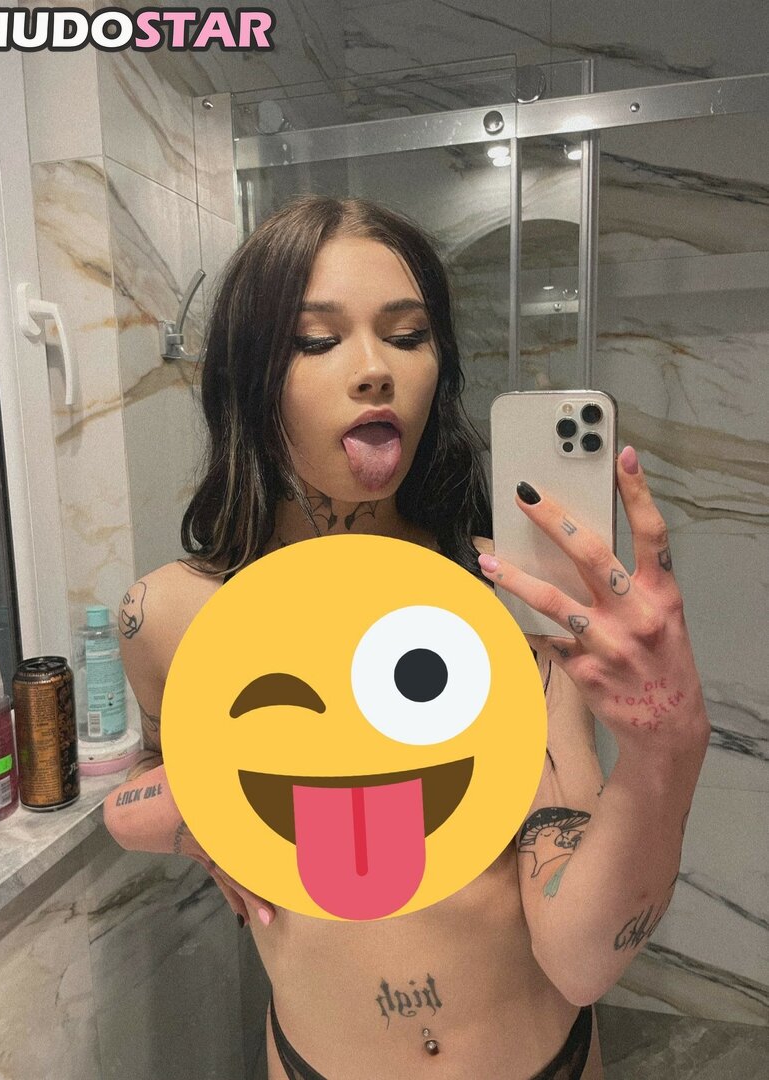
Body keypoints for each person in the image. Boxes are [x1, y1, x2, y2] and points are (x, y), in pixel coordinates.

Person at [103, 195, 710, 1080]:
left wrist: (668, 746)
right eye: (318, 340)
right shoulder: (169, 615)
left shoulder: (508, 599)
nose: (374, 369)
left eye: (407, 336)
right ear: (247, 376)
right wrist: (200, 819)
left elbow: (580, 955)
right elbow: (144, 791)